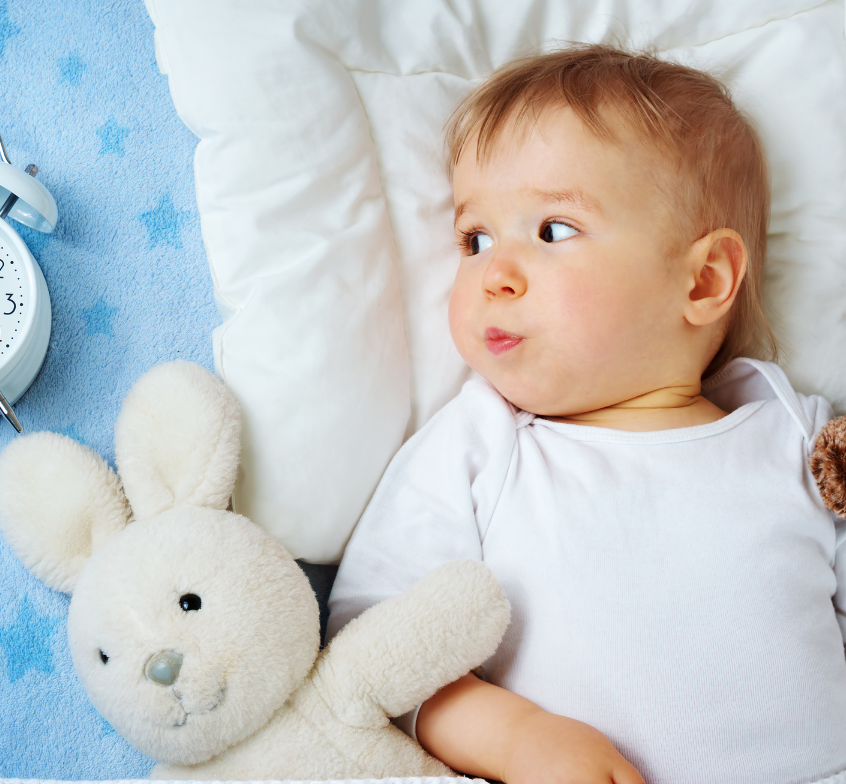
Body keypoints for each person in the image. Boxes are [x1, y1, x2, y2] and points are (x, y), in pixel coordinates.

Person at [325, 44, 846, 784]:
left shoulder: (798, 440)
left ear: (703, 280)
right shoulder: (484, 443)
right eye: (475, 238)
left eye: (553, 231)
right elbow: (372, 643)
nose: (493, 275)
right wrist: (513, 738)